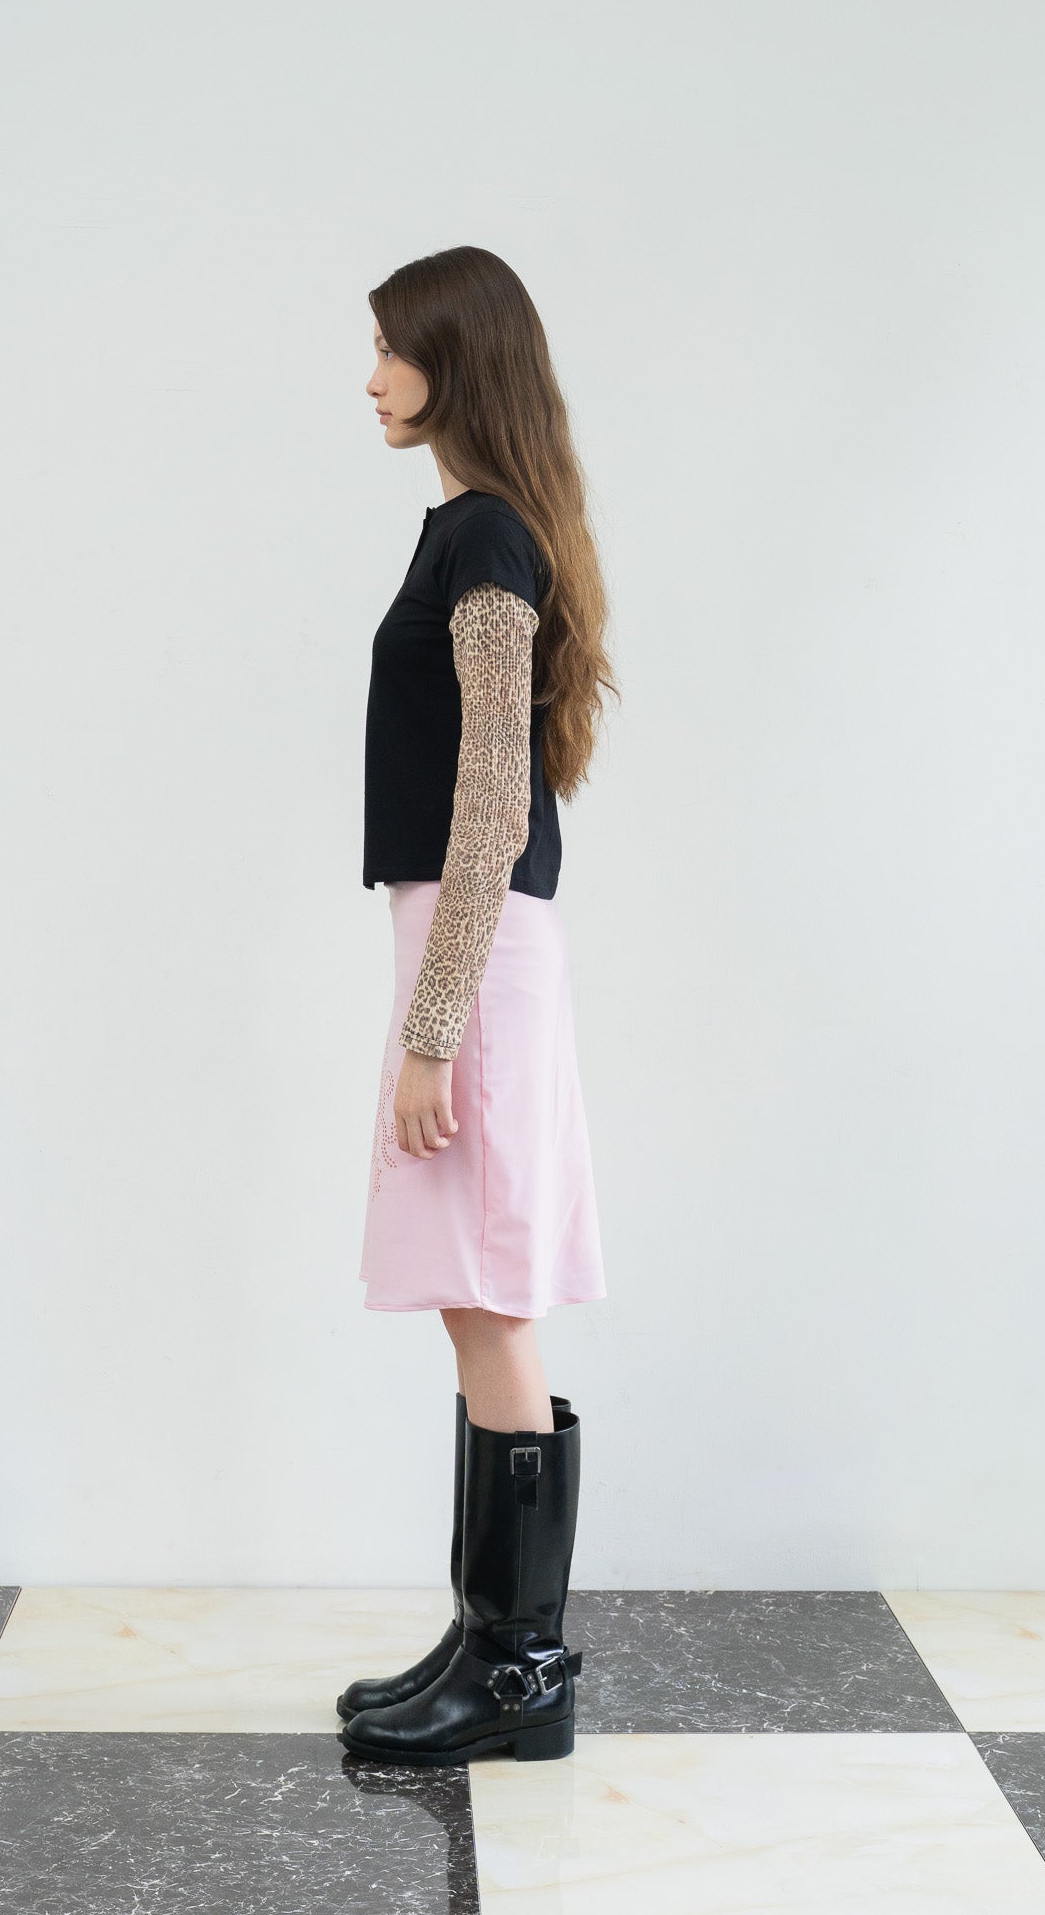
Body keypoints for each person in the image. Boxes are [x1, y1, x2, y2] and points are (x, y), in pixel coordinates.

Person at [338, 245, 617, 1767]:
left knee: (492, 1295)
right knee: (469, 1290)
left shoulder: (488, 540)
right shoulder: (465, 530)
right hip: (458, 939)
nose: (373, 378)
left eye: (393, 348)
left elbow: (494, 799)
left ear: (458, 359)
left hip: (476, 948)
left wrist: (434, 1028)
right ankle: (486, 1641)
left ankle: (520, 1678)